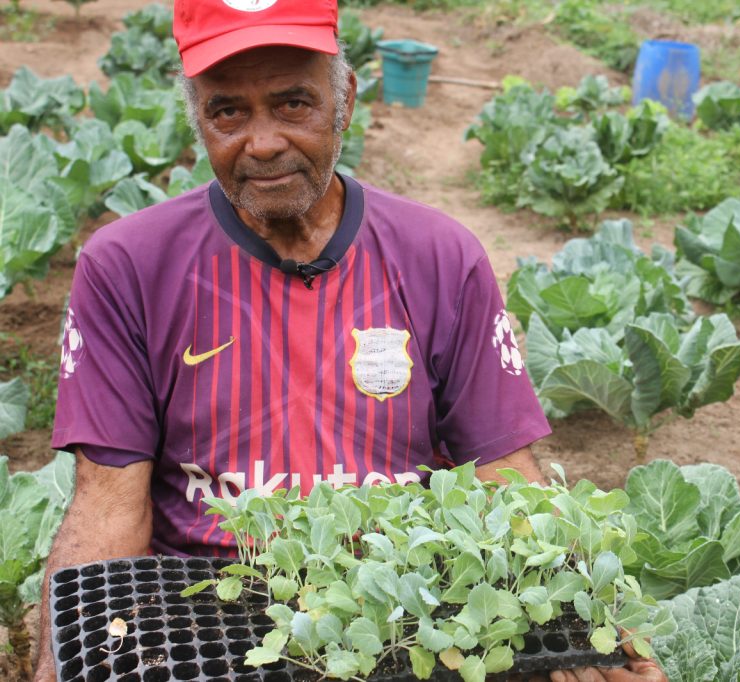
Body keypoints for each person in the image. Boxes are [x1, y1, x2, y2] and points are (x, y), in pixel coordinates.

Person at [35, 1, 667, 681]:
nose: (264, 142)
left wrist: (584, 617)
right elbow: (108, 504)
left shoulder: (439, 256)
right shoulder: (129, 266)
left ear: (345, 101)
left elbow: (502, 471)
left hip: (402, 614)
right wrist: (58, 663)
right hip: (204, 620)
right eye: (228, 112)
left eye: (293, 103)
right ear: (197, 119)